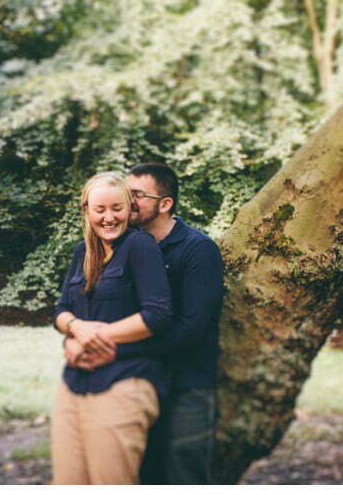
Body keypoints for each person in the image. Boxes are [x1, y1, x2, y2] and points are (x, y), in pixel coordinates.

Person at [64, 162, 225, 484]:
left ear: (165, 204)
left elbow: (190, 329)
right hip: (136, 379)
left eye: (137, 195)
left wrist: (111, 350)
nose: (128, 200)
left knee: (183, 474)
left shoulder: (198, 249)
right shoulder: (120, 247)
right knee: (140, 472)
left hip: (186, 381)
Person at [50, 171, 173, 484]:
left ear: (129, 209)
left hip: (124, 383)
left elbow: (157, 314)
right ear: (86, 211)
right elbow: (61, 311)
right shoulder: (82, 252)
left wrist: (93, 337)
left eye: (117, 208)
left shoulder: (140, 246)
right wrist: (75, 330)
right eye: (100, 209)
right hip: (74, 384)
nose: (108, 218)